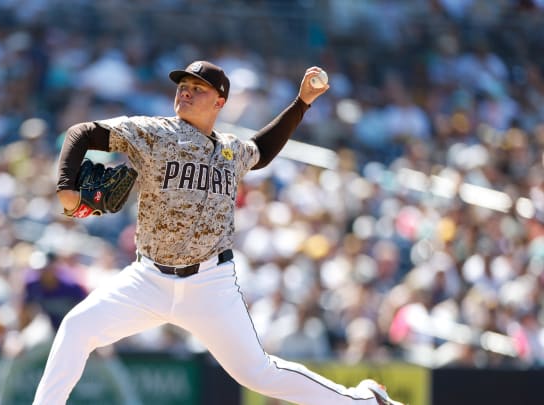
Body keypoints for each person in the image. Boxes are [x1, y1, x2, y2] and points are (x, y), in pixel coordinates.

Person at [34, 60, 403, 405]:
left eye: (198, 88)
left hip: (210, 285)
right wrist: (67, 185)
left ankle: (364, 400)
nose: (186, 92)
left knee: (258, 373)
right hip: (148, 279)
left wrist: (301, 103)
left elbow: (262, 149)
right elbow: (81, 132)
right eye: (183, 86)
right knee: (77, 328)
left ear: (220, 101)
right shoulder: (154, 133)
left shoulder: (230, 149)